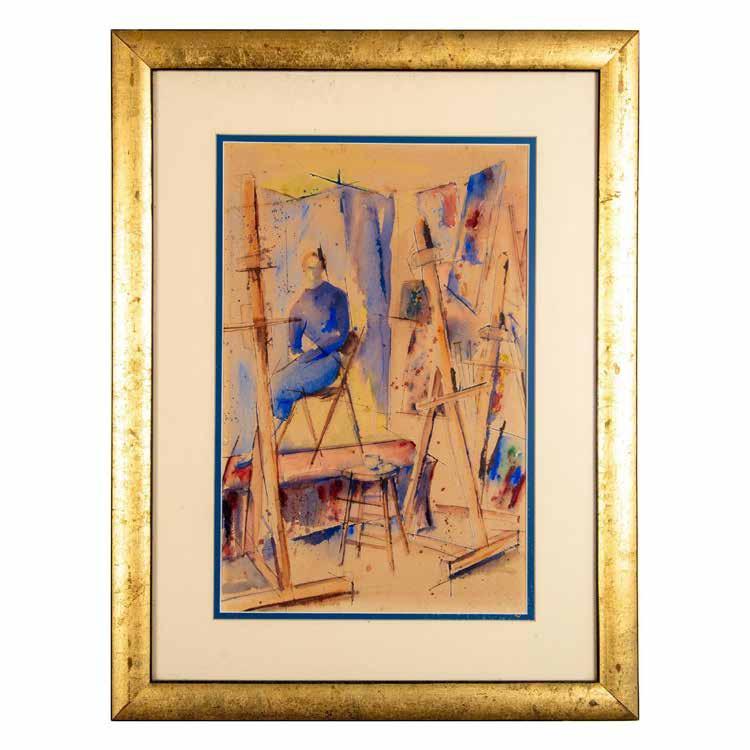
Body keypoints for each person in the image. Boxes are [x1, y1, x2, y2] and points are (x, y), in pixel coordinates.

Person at [270, 250, 350, 422]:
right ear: (303, 270)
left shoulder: (337, 296)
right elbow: (295, 346)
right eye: (309, 268)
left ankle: (278, 424)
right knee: (273, 383)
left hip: (331, 361)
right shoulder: (298, 307)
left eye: (317, 267)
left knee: (283, 387)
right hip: (308, 362)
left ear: (323, 268)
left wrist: (315, 351)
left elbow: (340, 335)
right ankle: (277, 427)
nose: (313, 272)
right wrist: (301, 356)